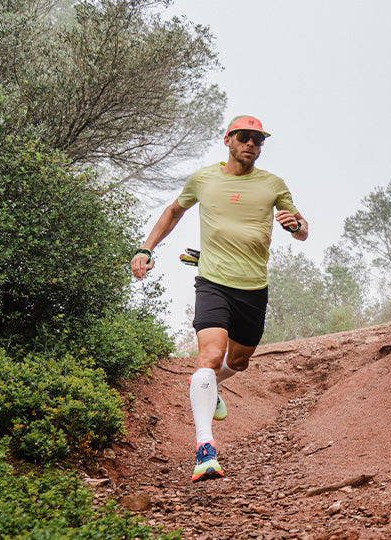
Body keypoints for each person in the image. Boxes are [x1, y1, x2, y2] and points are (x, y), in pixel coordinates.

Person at [130, 115, 308, 482]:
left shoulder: (273, 184)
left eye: (258, 141)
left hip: (254, 288)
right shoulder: (204, 179)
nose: (252, 145)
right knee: (208, 357)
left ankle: (210, 388)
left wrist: (296, 226)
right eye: (245, 138)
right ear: (228, 140)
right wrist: (146, 249)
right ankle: (204, 448)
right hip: (212, 282)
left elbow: (302, 229)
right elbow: (174, 211)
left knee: (239, 361)